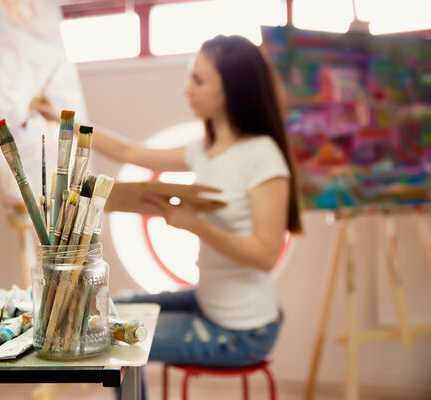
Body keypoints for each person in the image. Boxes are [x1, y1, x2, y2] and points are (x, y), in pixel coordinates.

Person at [35, 33, 301, 391]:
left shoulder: (262, 154)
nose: (187, 90)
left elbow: (267, 255)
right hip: (210, 302)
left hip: (243, 331)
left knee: (118, 340)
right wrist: (62, 122)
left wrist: (194, 225)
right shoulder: (205, 150)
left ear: (233, 88)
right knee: (117, 307)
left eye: (199, 80)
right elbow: (130, 153)